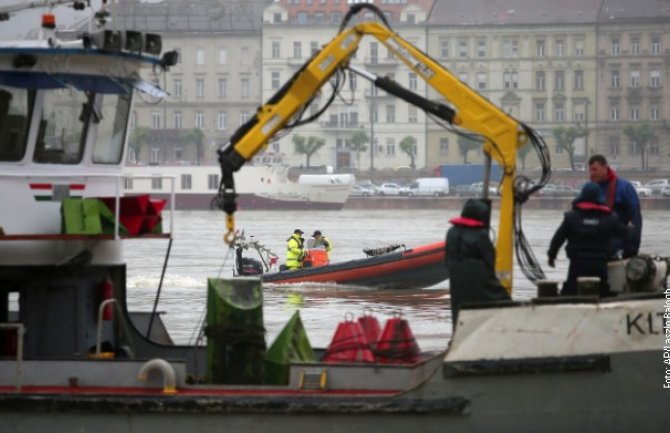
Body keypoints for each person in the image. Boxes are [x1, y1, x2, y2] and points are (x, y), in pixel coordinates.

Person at [547, 182, 629, 297]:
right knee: (603, 293)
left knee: (570, 293)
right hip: (600, 265)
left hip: (577, 265)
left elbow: (558, 238)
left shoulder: (571, 217)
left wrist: (552, 256)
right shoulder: (610, 217)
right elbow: (624, 234)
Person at [445, 199, 510, 328]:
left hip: (456, 275)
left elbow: (447, 258)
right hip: (477, 275)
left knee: (458, 307)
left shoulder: (451, 232)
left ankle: (457, 334)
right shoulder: (480, 234)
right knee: (501, 299)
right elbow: (489, 259)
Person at [588, 154, 642, 258]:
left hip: (619, 249)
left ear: (605, 168)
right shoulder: (591, 190)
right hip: (596, 250)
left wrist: (632, 249)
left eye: (595, 169)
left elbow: (635, 219)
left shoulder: (624, 188)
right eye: (590, 170)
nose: (592, 173)